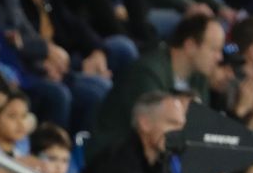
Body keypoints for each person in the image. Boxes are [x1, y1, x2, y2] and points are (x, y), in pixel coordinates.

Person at [88, 14, 221, 158]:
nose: (219, 57)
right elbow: (155, 131)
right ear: (190, 46)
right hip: (113, 158)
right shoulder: (147, 73)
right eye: (214, 49)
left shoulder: (199, 78)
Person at [81, 90, 188, 173]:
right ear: (145, 123)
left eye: (181, 126)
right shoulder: (117, 162)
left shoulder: (164, 162)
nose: (179, 132)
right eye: (172, 123)